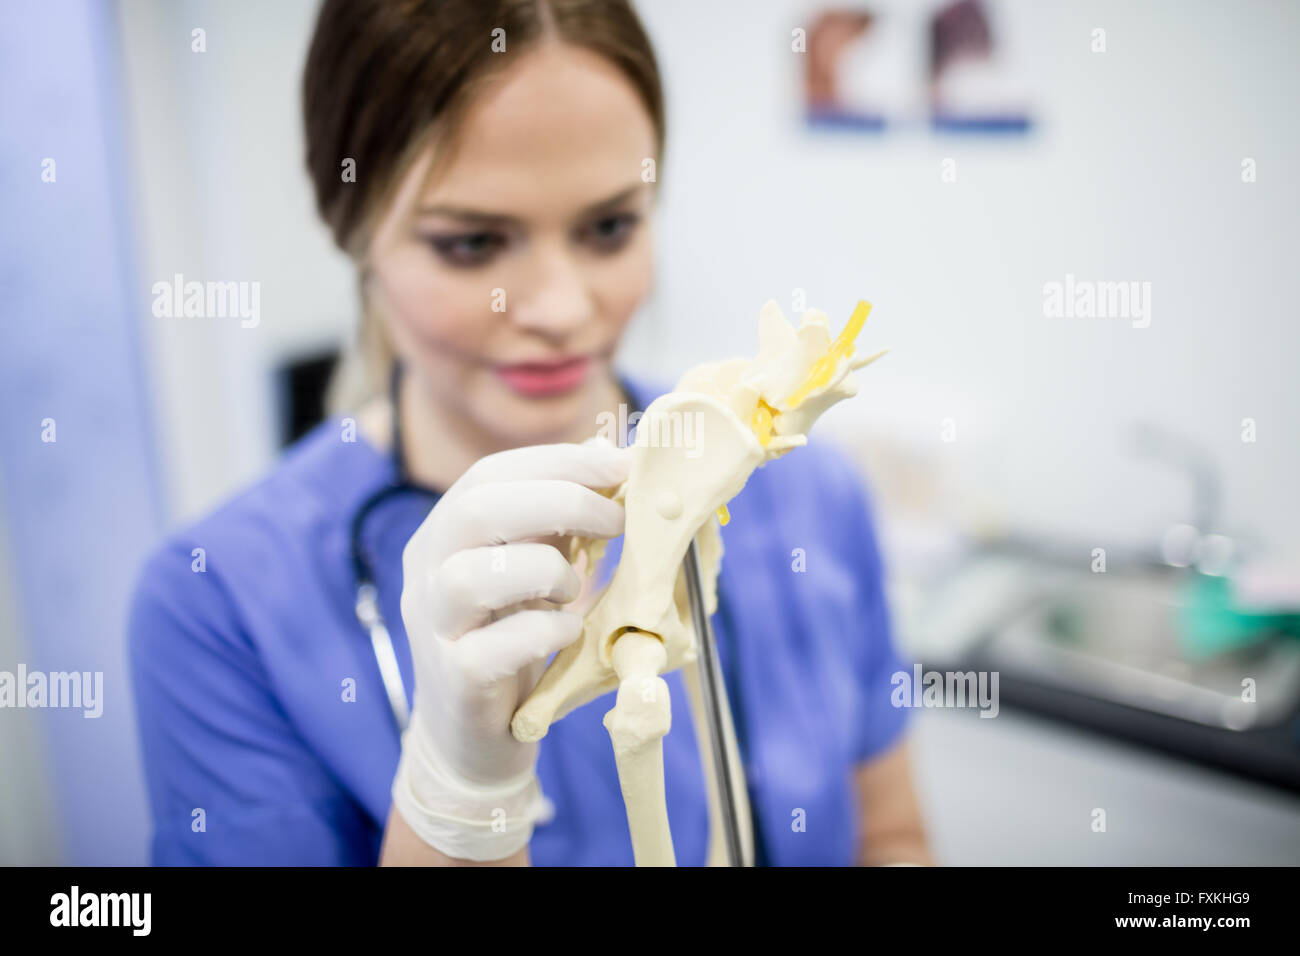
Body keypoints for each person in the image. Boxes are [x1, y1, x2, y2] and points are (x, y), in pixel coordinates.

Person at [128, 0, 934, 867]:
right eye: (473, 243)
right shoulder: (218, 606)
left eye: (610, 227)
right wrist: (457, 794)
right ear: (352, 231)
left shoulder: (801, 490)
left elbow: (890, 839)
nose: (557, 309)